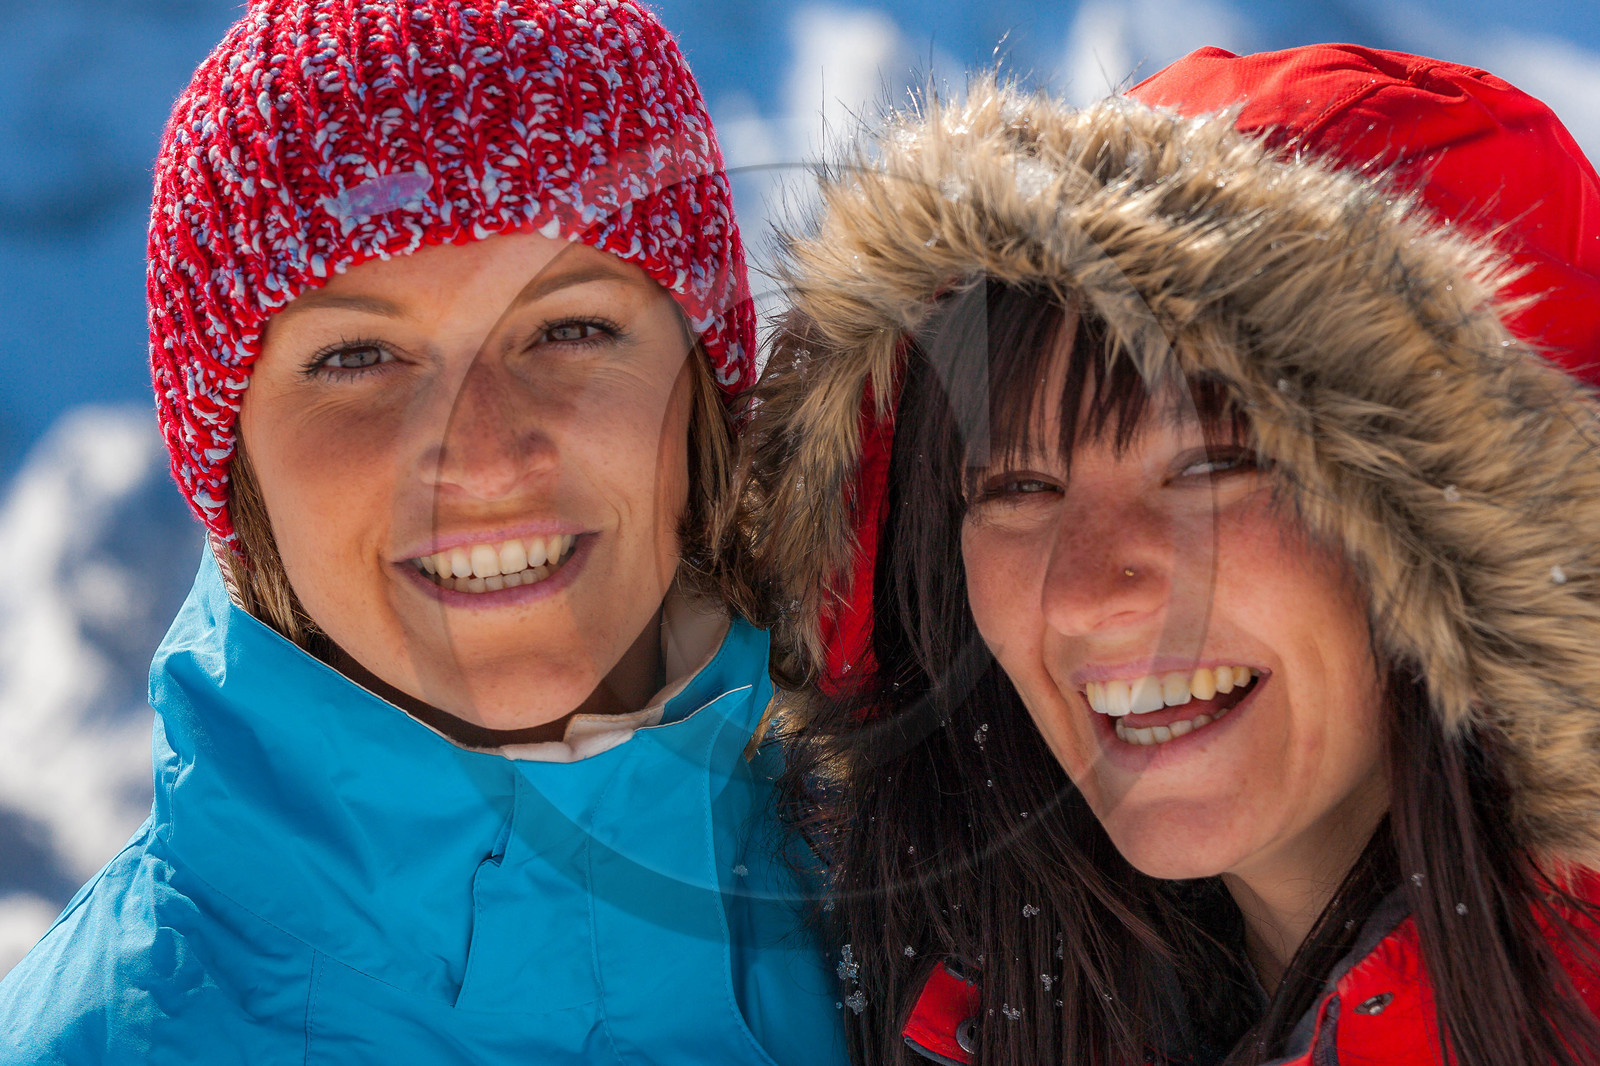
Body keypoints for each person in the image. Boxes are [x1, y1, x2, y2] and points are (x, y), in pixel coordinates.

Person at [0, 2, 846, 1064]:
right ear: (230, 459)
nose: (484, 458)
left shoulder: (938, 928)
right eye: (358, 358)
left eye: (570, 329)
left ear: (701, 398)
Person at [738, 45, 1600, 1066]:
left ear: (1467, 534)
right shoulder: (931, 1000)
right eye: (1016, 487)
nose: (1086, 592)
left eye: (1211, 466)